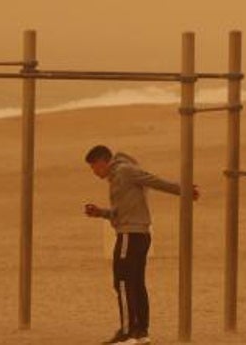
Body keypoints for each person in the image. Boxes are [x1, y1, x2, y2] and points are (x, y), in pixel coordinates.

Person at [83, 144, 199, 345]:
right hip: (136, 233)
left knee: (123, 282)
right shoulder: (119, 175)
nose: (94, 172)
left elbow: (154, 180)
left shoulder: (124, 171)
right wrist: (100, 212)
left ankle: (128, 333)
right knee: (135, 283)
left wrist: (184, 190)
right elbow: (121, 213)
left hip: (131, 234)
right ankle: (141, 333)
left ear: (102, 161)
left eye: (93, 167)